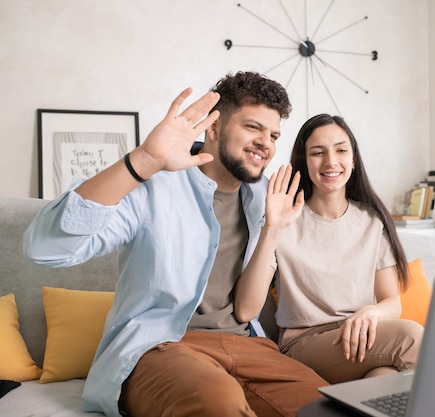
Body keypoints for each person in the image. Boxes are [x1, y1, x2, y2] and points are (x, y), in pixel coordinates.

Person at [23, 71, 328, 417]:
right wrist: (144, 161)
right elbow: (45, 249)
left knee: (329, 405)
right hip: (159, 347)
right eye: (252, 127)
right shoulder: (155, 186)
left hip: (246, 345)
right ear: (214, 128)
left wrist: (274, 229)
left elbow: (248, 309)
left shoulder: (267, 197)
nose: (266, 143)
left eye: (273, 134)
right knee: (218, 404)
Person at [264, 114, 424, 384]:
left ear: (353, 159)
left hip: (365, 335)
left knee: (382, 379)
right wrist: (272, 228)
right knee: (411, 338)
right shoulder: (284, 218)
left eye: (341, 150)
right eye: (318, 152)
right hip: (306, 344)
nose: (331, 161)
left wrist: (370, 312)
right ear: (304, 160)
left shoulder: (372, 220)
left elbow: (391, 301)